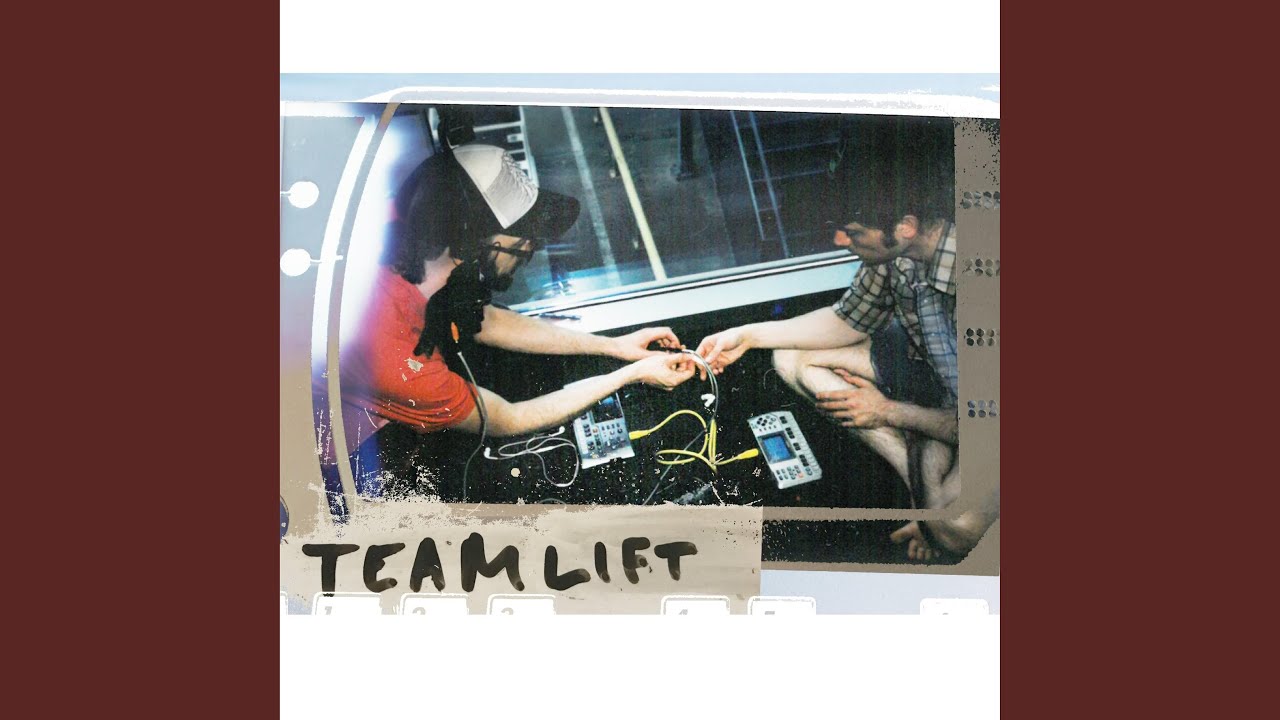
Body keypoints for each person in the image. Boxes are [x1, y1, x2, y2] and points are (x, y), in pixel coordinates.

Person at [336, 143, 695, 490]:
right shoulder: (396, 357)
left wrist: (615, 346)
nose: (529, 247)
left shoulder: (413, 230)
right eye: (522, 237)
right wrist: (631, 375)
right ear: (470, 242)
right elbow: (509, 417)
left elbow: (485, 320)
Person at [696, 205, 994, 560]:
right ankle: (918, 486)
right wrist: (746, 336)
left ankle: (931, 499)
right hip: (940, 377)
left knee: (955, 527)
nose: (840, 241)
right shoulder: (896, 254)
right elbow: (849, 320)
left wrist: (889, 412)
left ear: (906, 227)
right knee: (790, 357)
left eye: (852, 232)